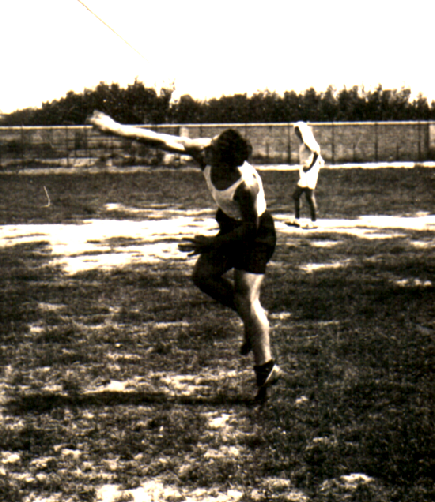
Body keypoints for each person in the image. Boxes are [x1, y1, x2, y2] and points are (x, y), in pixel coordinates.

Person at [88, 112, 279, 403]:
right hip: (231, 225)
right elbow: (160, 140)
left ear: (225, 160)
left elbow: (250, 229)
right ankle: (250, 323)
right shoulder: (206, 154)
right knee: (204, 277)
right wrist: (113, 128)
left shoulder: (246, 186)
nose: (205, 147)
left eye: (212, 147)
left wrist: (210, 243)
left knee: (248, 298)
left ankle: (265, 369)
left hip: (255, 234)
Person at [292, 121, 323, 226]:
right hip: (304, 172)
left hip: (310, 172)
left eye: (298, 132)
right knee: (296, 196)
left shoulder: (308, 142)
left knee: (308, 196)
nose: (297, 134)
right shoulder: (302, 142)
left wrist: (310, 165)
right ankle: (297, 220)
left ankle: (314, 222)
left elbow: (317, 152)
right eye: (296, 132)